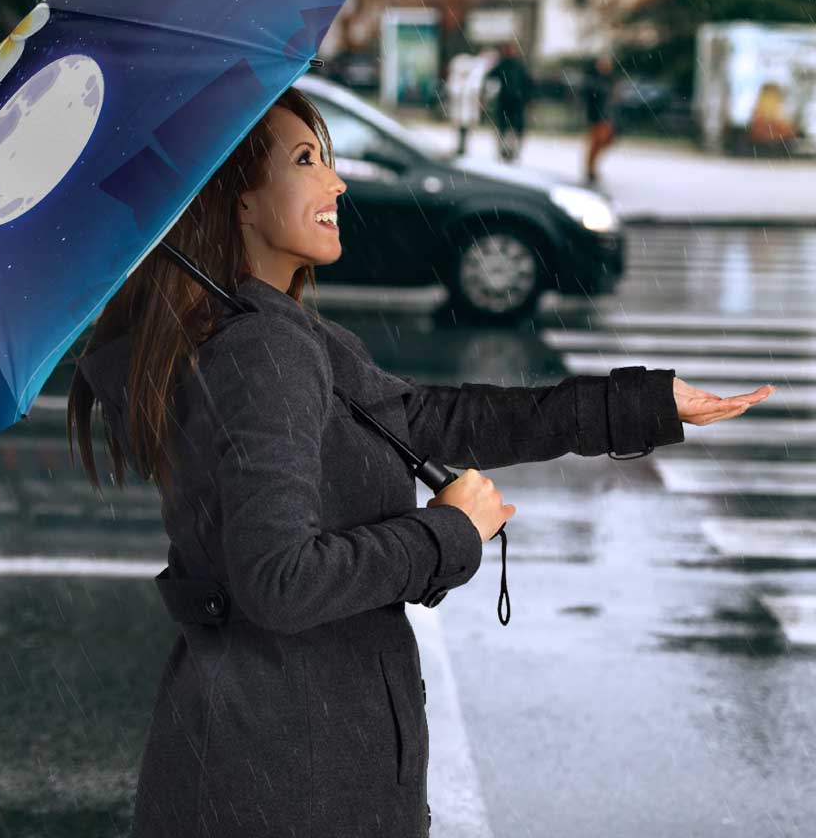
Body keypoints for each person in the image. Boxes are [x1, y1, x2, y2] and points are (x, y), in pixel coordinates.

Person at [68, 86, 774, 838]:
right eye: (307, 160)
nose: (336, 182)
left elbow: (436, 420)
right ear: (238, 202)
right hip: (288, 777)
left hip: (270, 758)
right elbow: (279, 581)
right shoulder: (262, 351)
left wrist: (641, 404)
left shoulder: (273, 334)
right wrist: (447, 533)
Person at [484, 40, 534, 163]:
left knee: (512, 129)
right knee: (505, 128)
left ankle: (511, 151)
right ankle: (505, 151)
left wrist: (527, 98)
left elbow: (528, 84)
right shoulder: (504, 65)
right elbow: (490, 78)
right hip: (507, 102)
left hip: (515, 102)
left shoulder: (517, 66)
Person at [582, 53, 618, 184]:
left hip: (606, 117)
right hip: (597, 117)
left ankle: (591, 168)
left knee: (604, 142)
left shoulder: (609, 80)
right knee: (596, 143)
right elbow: (591, 100)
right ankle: (590, 169)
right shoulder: (594, 81)